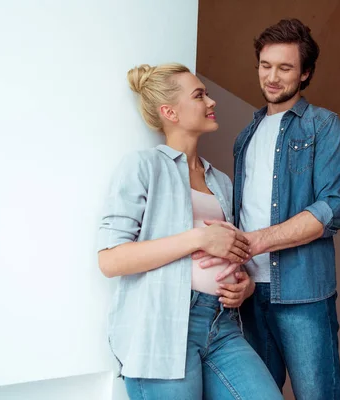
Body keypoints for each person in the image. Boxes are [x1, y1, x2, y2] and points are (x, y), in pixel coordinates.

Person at [97, 63, 283, 400]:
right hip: (163, 329)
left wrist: (246, 285)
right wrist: (198, 238)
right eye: (199, 95)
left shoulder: (221, 181)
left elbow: (230, 250)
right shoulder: (143, 166)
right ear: (170, 112)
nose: (211, 102)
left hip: (222, 323)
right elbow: (111, 260)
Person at [196, 18, 340, 400]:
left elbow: (332, 208)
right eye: (266, 66)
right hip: (248, 295)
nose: (273, 77)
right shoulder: (244, 137)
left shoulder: (323, 125)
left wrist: (254, 242)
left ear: (305, 73)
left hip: (303, 293)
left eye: (285, 68)